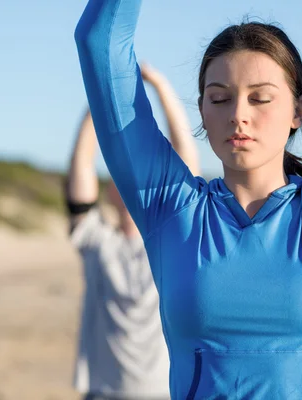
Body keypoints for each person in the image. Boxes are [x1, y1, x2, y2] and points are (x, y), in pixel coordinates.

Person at [74, 0, 302, 399]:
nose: (238, 114)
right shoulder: (169, 209)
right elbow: (99, 42)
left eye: (260, 98)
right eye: (219, 99)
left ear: (297, 111)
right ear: (201, 110)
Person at [66, 64, 201, 400]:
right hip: (103, 392)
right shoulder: (96, 239)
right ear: (109, 190)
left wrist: (160, 85)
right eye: (120, 175)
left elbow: (188, 167)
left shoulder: (171, 240)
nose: (130, 180)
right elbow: (81, 168)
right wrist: (100, 100)